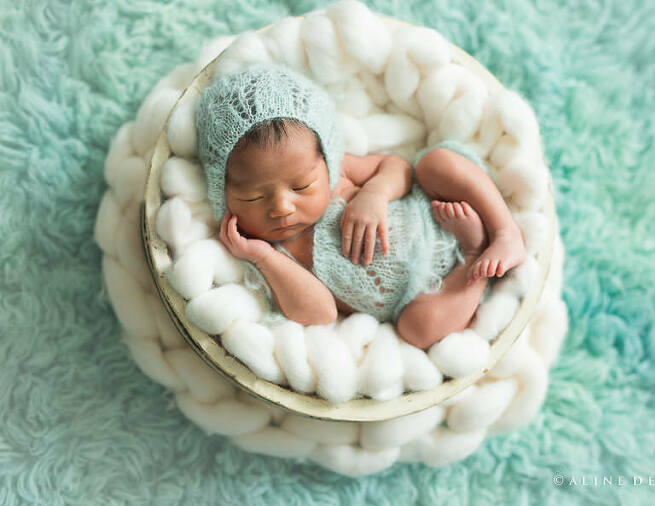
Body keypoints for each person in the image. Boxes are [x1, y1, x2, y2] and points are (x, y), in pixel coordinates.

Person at [196, 64, 526, 350]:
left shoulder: (339, 173)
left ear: (327, 158)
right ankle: (475, 257)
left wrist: (375, 195)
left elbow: (398, 167)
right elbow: (321, 313)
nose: (282, 207)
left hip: (432, 213)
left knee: (434, 163)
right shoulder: (270, 252)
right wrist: (262, 257)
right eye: (254, 197)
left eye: (302, 186)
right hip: (434, 294)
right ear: (221, 192)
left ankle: (504, 232)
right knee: (415, 329)